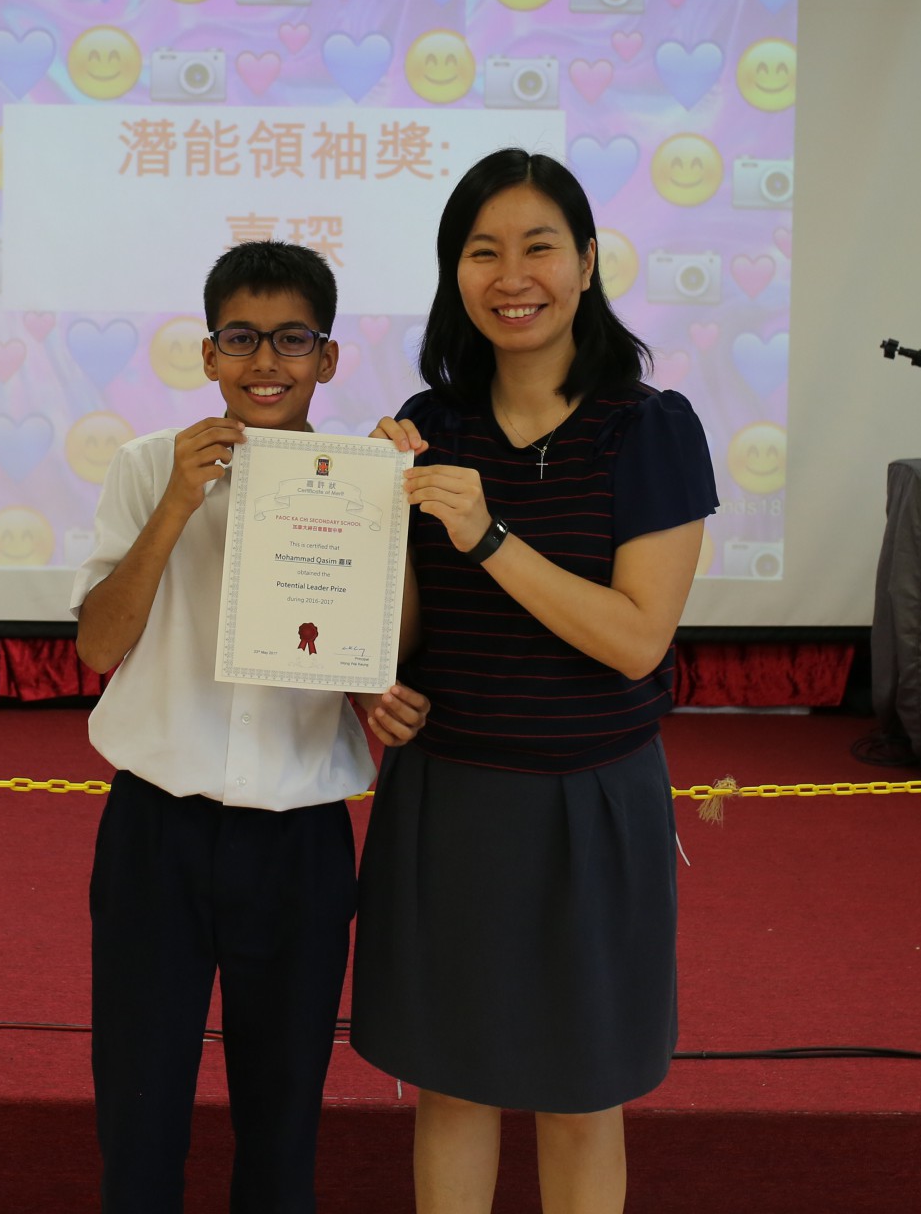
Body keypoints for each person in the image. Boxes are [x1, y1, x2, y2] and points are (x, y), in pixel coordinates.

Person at [355, 150, 717, 1214]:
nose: (512, 277)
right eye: (483, 252)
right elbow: (404, 634)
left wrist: (487, 533)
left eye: (539, 247)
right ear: (454, 273)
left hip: (589, 799)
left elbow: (637, 640)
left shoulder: (648, 428)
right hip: (447, 795)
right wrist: (371, 667)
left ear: (588, 262)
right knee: (451, 1086)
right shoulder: (432, 423)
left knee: (580, 1095)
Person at [72, 240, 431, 1214]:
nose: (265, 362)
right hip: (156, 831)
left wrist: (394, 514)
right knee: (139, 1113)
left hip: (298, 840)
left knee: (282, 1121)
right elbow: (98, 647)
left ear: (328, 357)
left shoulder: (364, 477)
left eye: (291, 339)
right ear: (208, 353)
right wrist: (178, 502)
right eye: (240, 337)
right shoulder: (147, 466)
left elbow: (392, 646)